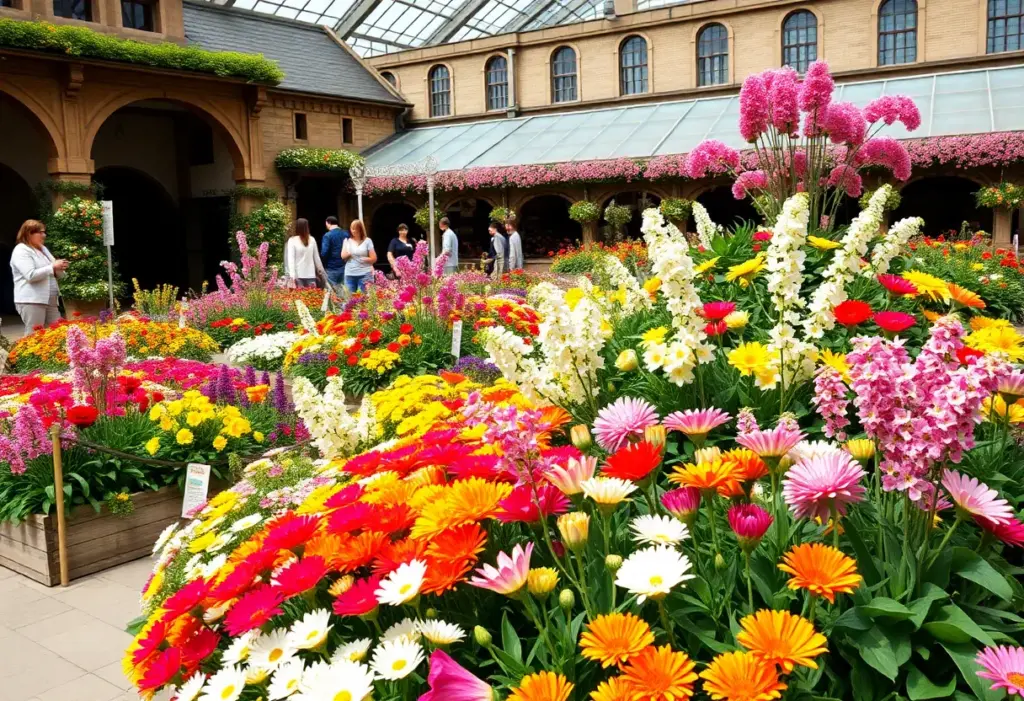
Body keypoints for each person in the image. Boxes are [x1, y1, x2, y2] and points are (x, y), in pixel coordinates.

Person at [10, 219, 67, 335]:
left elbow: (54, 270)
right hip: (32, 300)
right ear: (28, 233)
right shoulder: (21, 250)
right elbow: (30, 275)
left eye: (44, 232)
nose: (44, 235)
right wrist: (52, 266)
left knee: (58, 333)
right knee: (34, 335)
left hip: (51, 300)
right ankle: (26, 354)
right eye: (40, 232)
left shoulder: (43, 249)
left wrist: (60, 267)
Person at [284, 218, 326, 288]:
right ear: (307, 227)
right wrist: (322, 272)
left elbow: (291, 260)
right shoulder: (312, 239)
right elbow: (317, 258)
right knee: (312, 297)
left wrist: (292, 276)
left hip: (298, 276)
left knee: (299, 298)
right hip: (311, 275)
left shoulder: (292, 240)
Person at [341, 219, 376, 294]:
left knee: (364, 299)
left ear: (360, 229)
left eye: (356, 229)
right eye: (352, 228)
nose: (353, 231)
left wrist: (367, 259)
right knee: (349, 299)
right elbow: (343, 256)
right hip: (350, 273)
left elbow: (374, 258)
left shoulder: (367, 241)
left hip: (365, 273)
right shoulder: (347, 241)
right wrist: (350, 253)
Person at [321, 216, 349, 288]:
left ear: (329, 223)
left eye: (326, 224)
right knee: (344, 292)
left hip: (331, 268)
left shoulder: (327, 235)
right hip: (345, 266)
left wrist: (323, 265)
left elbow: (324, 253)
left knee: (331, 293)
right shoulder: (346, 234)